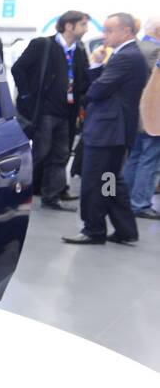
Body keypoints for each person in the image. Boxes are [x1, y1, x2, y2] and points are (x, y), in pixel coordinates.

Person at [63, 12, 149, 245]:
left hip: (106, 131)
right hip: (115, 132)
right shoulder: (129, 55)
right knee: (110, 180)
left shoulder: (125, 57)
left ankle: (94, 229)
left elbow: (96, 91)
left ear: (127, 32)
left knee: (94, 181)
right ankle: (125, 228)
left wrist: (95, 65)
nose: (105, 35)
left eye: (110, 30)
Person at [10, 10, 90, 209]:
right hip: (44, 111)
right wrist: (27, 96)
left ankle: (51, 196)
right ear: (69, 26)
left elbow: (82, 80)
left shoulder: (79, 50)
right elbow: (18, 68)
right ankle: (15, 191)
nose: (86, 28)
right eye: (83, 24)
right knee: (39, 153)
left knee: (60, 155)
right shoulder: (43, 45)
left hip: (66, 113)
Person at [119, 16, 160, 220]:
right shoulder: (155, 51)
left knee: (135, 157)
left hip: (135, 114)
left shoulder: (134, 48)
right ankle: (140, 203)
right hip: (153, 115)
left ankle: (127, 200)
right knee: (150, 160)